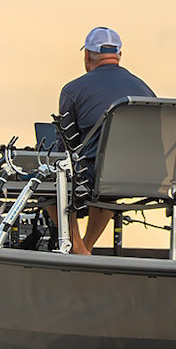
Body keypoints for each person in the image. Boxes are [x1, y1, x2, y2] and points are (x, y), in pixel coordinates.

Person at [57, 26, 154, 255]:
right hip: (147, 177)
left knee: (53, 178)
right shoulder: (146, 90)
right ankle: (87, 247)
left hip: (100, 176)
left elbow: (65, 148)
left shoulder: (73, 90)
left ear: (87, 55)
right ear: (119, 55)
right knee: (108, 182)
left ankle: (77, 247)